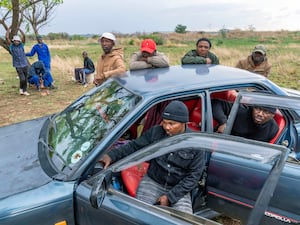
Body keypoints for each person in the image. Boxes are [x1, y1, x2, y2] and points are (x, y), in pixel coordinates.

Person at [99, 100, 205, 214]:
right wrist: (111, 156)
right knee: (139, 214)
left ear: (184, 123)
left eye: (171, 123)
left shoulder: (195, 143)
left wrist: (170, 197)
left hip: (179, 189)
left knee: (183, 220)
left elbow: (194, 176)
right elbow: (134, 146)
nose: (166, 127)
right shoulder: (155, 132)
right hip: (153, 182)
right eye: (164, 122)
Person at [212, 98, 279, 142]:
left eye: (266, 112)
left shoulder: (272, 129)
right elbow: (215, 103)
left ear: (272, 115)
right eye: (257, 109)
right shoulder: (241, 111)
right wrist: (223, 122)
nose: (260, 114)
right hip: (221, 142)